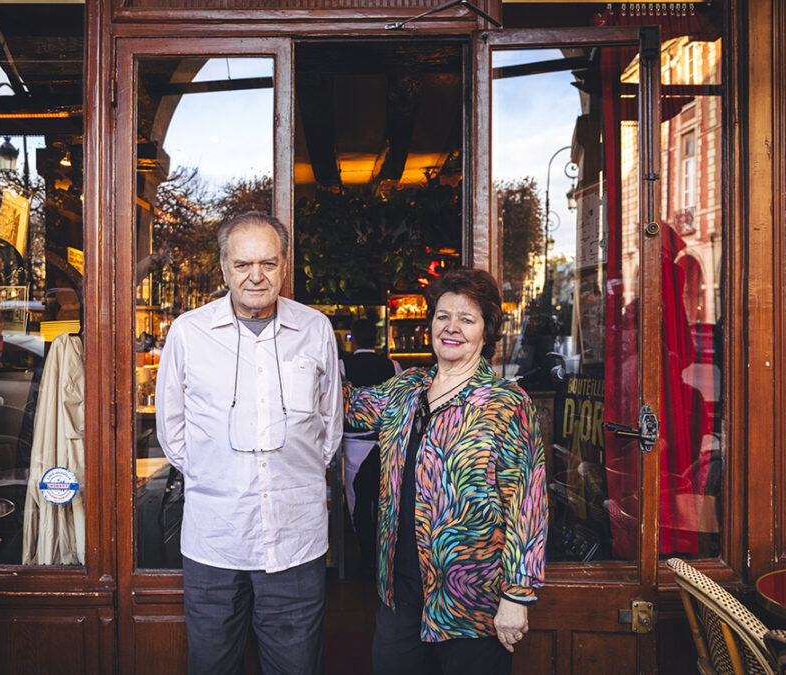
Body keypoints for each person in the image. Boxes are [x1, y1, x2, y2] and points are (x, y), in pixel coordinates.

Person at [155, 211, 343, 675]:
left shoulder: (316, 328)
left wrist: (289, 476)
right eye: (243, 265)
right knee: (212, 664)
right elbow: (172, 430)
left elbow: (329, 427)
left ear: (284, 266)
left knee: (296, 666)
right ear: (224, 268)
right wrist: (220, 477)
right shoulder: (188, 332)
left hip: (295, 540)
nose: (256, 276)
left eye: (268, 263)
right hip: (214, 540)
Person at [344, 267, 547, 675]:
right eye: (442, 316)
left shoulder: (505, 403)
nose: (451, 328)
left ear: (486, 333)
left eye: (466, 319)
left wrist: (517, 596)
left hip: (471, 601)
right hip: (400, 593)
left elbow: (528, 504)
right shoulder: (406, 388)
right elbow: (344, 405)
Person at [340, 317, 399, 574]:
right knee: (385, 501)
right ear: (376, 339)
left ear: (352, 339)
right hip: (385, 444)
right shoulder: (392, 365)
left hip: (354, 443)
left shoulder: (343, 366)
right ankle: (383, 557)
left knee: (357, 503)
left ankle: (365, 557)